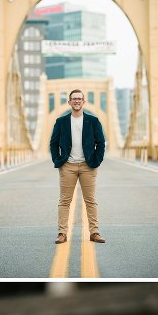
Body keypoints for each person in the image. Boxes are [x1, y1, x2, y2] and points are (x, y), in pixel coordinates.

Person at [49, 90, 106, 245]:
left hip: (88, 166)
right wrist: (57, 159)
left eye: (79, 99)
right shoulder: (61, 122)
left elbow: (101, 143)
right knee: (64, 200)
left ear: (83, 102)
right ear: (69, 102)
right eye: (74, 99)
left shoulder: (93, 121)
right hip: (68, 166)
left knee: (90, 200)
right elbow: (53, 143)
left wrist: (97, 160)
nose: (77, 101)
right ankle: (62, 233)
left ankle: (94, 232)